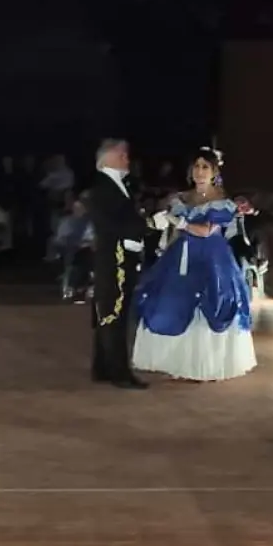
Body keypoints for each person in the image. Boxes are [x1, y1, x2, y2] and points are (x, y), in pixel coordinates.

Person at [132, 146, 256, 382]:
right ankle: (177, 361)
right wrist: (164, 232)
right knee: (174, 301)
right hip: (182, 256)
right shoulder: (181, 198)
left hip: (211, 259)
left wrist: (179, 222)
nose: (200, 171)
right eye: (196, 166)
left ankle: (206, 364)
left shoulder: (222, 202)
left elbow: (206, 231)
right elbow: (171, 231)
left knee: (211, 302)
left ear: (214, 172)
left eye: (205, 167)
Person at [86, 139, 148, 389]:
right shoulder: (103, 188)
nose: (127, 159)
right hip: (114, 259)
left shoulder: (119, 185)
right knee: (115, 313)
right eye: (122, 155)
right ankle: (119, 373)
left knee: (110, 312)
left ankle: (102, 367)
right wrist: (146, 225)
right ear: (109, 158)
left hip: (120, 257)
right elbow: (111, 224)